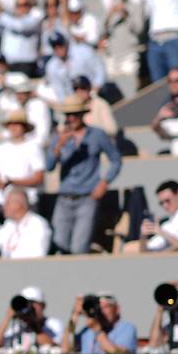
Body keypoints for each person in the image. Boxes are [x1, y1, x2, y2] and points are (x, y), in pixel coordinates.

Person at [46, 96, 121, 254]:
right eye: (68, 115)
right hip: (64, 197)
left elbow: (116, 159)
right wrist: (59, 146)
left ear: (82, 114)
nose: (71, 118)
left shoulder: (97, 134)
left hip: (87, 197)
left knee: (79, 246)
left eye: (75, 114)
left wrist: (104, 182)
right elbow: (49, 166)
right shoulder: (58, 137)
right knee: (60, 245)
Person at [0, 286, 63, 354]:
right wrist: (8, 317)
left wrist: (33, 324)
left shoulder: (53, 324)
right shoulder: (16, 327)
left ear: (43, 306)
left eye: (33, 303)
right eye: (26, 303)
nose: (29, 307)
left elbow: (54, 348)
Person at [136, 180, 178, 252]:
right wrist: (143, 236)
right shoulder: (167, 225)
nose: (165, 206)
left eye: (167, 200)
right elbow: (146, 252)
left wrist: (163, 233)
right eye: (161, 203)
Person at [62, 294, 137, 354]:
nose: (102, 311)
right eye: (99, 307)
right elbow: (66, 349)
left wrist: (97, 331)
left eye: (106, 307)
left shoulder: (126, 328)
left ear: (117, 309)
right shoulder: (88, 331)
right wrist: (75, 314)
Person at [0, 188, 51, 259]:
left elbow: (39, 254)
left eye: (8, 202)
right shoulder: (8, 224)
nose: (4, 206)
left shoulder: (37, 224)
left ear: (19, 204)